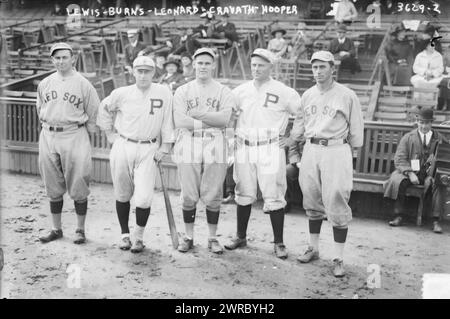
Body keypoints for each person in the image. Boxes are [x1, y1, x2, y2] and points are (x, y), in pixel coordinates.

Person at [288, 51, 364, 277]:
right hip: (311, 148)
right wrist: (294, 146)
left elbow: (357, 128)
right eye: (315, 67)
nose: (318, 72)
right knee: (311, 197)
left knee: (337, 197)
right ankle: (314, 247)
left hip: (336, 148)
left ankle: (338, 257)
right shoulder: (308, 94)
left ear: (333, 68)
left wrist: (352, 152)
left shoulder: (346, 95)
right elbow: (299, 125)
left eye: (323, 67)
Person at [224, 48, 301, 259]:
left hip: (269, 146)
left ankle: (279, 243)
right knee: (243, 192)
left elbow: (302, 114)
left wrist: (293, 137)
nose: (257, 69)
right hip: (245, 146)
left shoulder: (284, 91)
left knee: (274, 194)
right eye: (254, 65)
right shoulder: (240, 90)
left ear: (271, 66)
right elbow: (229, 116)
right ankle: (240, 236)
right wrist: (232, 139)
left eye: (262, 65)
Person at [97, 55, 175, 252]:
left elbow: (167, 120)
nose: (143, 75)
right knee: (122, 193)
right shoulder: (121, 93)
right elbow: (104, 108)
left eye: (147, 71)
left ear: (153, 73)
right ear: (133, 72)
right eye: (139, 71)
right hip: (123, 145)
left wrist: (165, 147)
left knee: (143, 198)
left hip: (149, 148)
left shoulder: (163, 92)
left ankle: (138, 236)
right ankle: (125, 235)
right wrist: (109, 134)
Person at [172, 48, 235, 254]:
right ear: (193, 64)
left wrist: (198, 115)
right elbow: (180, 121)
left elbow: (225, 120)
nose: (203, 66)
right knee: (189, 193)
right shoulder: (183, 90)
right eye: (200, 63)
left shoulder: (223, 91)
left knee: (213, 192)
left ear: (213, 65)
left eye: (207, 63)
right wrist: (209, 119)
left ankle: (212, 237)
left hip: (215, 141)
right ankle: (188, 237)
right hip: (189, 141)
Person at [37, 42, 100, 244]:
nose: (61, 61)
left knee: (79, 183)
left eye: (65, 57)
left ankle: (80, 230)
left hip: (74, 134)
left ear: (73, 59)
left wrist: (85, 136)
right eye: (57, 57)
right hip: (48, 135)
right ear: (52, 60)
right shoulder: (45, 83)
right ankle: (56, 229)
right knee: (52, 185)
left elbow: (94, 113)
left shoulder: (83, 84)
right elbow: (40, 110)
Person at [384, 108, 448, 234]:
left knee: (439, 183)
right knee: (399, 181)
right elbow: (400, 158)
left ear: (431, 123)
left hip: (429, 174)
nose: (424, 126)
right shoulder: (408, 137)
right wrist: (410, 173)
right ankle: (398, 216)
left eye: (427, 123)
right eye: (421, 122)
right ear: (417, 122)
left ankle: (435, 221)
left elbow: (446, 155)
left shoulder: (439, 138)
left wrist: (434, 170)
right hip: (410, 172)